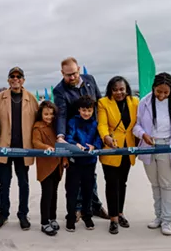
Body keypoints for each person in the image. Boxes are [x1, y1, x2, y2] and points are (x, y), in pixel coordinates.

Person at [53, 57, 108, 220]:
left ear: (79, 70)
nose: (72, 78)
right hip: (74, 134)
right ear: (62, 73)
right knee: (75, 173)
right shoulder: (59, 91)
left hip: (92, 131)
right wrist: (61, 136)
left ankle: (94, 206)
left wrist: (102, 130)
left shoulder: (90, 79)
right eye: (68, 75)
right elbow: (62, 114)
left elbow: (100, 104)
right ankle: (77, 208)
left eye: (74, 73)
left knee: (91, 174)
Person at [133, 73, 171, 236]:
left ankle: (167, 220)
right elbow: (137, 126)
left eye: (165, 92)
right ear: (153, 88)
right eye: (158, 91)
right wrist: (143, 135)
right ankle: (158, 217)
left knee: (167, 184)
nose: (162, 96)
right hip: (149, 147)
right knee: (155, 183)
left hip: (167, 146)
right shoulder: (144, 102)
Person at [0, 67, 38, 231]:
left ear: (23, 80)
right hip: (4, 148)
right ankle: (3, 214)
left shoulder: (31, 99)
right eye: (12, 76)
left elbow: (40, 123)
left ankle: (23, 215)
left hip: (23, 150)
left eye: (19, 77)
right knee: (4, 184)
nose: (15, 79)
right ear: (8, 80)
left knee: (23, 184)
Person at [97, 76, 138, 234]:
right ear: (110, 90)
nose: (119, 92)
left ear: (126, 88)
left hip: (128, 149)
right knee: (112, 183)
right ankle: (113, 218)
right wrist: (106, 137)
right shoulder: (103, 103)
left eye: (121, 89)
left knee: (122, 183)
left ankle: (120, 213)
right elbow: (102, 124)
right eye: (115, 90)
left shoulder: (134, 102)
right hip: (111, 149)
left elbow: (138, 123)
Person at [65, 95, 103, 232]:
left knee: (88, 190)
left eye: (89, 110)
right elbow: (69, 137)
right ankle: (70, 217)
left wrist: (94, 146)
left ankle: (87, 215)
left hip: (90, 162)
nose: (86, 113)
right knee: (72, 191)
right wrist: (76, 145)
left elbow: (99, 138)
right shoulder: (73, 122)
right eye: (84, 110)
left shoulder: (95, 123)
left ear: (93, 110)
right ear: (79, 110)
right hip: (74, 162)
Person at [32, 101, 68, 236]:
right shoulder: (37, 127)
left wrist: (64, 159)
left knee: (54, 193)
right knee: (46, 193)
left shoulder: (56, 127)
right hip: (46, 165)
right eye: (46, 114)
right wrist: (46, 147)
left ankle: (52, 218)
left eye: (52, 114)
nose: (49, 117)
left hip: (58, 164)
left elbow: (63, 145)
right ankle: (44, 222)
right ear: (41, 114)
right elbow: (36, 142)